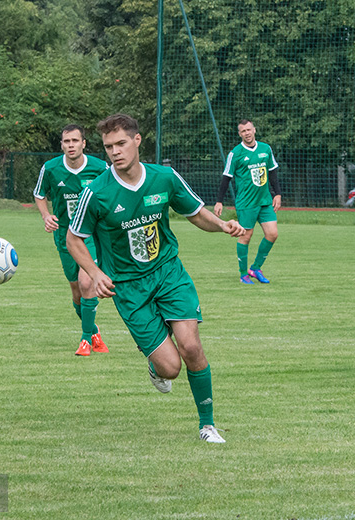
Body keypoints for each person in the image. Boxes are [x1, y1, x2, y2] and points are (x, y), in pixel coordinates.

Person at [66, 114, 244, 443]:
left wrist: (222, 226)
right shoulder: (97, 192)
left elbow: (195, 214)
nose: (115, 152)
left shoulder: (164, 177)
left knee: (191, 346)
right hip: (129, 288)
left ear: (137, 141)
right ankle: (155, 364)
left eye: (121, 143)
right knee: (171, 368)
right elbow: (74, 239)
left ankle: (207, 425)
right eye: (108, 147)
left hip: (168, 273)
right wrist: (95, 272)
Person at [34, 124, 110, 357]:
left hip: (90, 235)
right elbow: (39, 194)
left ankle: (85, 340)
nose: (71, 145)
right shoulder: (51, 168)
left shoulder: (100, 168)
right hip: (65, 236)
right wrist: (46, 216)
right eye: (66, 141)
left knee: (87, 283)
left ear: (83, 143)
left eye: (75, 141)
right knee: (77, 292)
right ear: (61, 144)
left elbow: (111, 191)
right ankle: (93, 331)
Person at [214, 119, 281, 284]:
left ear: (254, 130)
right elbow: (226, 178)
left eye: (249, 130)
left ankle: (255, 268)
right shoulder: (235, 154)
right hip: (246, 203)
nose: (247, 133)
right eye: (243, 131)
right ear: (240, 134)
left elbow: (272, 172)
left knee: (272, 234)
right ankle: (243, 273)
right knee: (246, 236)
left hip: (265, 201)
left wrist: (277, 194)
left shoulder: (266, 149)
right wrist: (219, 201)